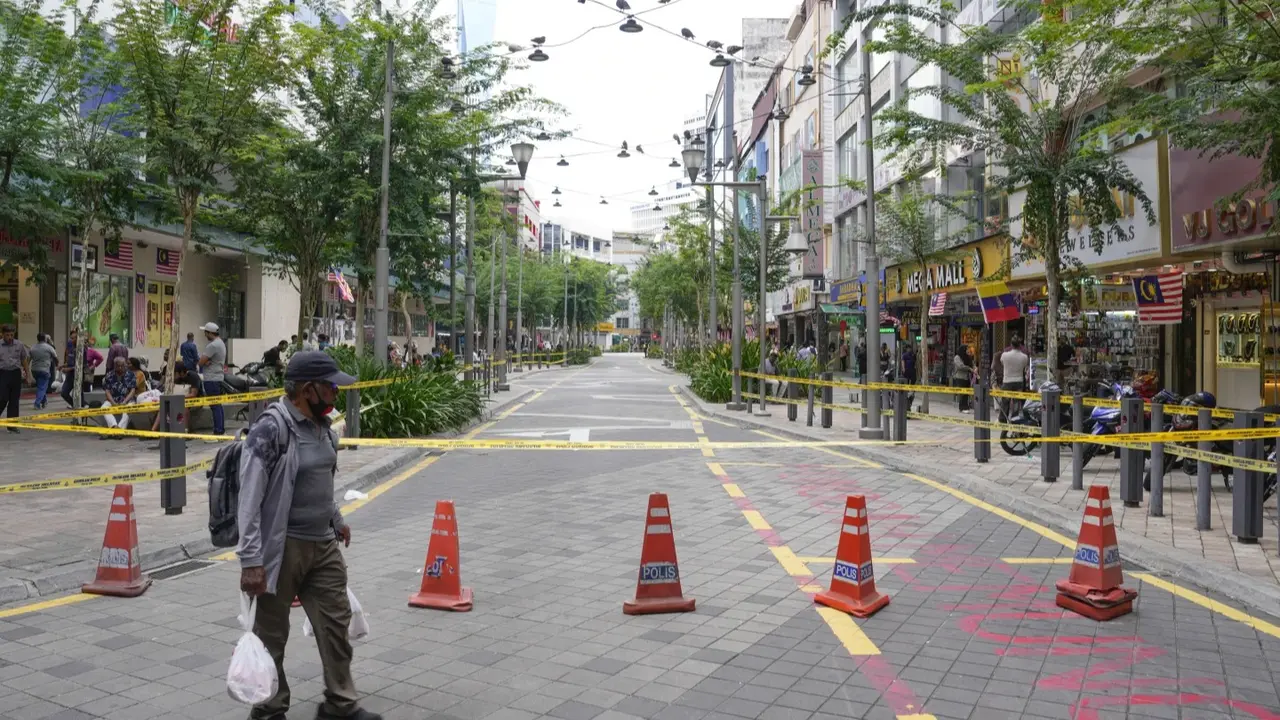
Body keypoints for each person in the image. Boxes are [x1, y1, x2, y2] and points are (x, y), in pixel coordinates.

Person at [237, 351, 381, 720]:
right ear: (307, 390)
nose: (336, 393)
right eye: (330, 386)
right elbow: (249, 499)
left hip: (323, 543)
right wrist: (251, 560)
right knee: (271, 636)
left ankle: (340, 705)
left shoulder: (322, 427)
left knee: (336, 624)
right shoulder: (271, 429)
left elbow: (321, 481)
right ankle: (269, 709)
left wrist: (336, 518)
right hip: (281, 548)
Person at [0, 324, 32, 432]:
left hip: (15, 373)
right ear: (2, 334)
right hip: (2, 373)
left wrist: (28, 375)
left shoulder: (19, 344)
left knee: (14, 400)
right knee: (2, 398)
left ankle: (12, 425)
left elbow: (24, 360)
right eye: (7, 335)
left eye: (12, 335)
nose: (10, 337)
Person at [198, 322, 227, 436]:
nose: (205, 335)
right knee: (218, 405)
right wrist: (207, 361)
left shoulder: (212, 346)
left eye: (205, 333)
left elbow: (201, 362)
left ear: (210, 333)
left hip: (211, 378)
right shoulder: (221, 343)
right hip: (218, 377)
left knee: (215, 406)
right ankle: (220, 429)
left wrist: (204, 361)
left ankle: (218, 431)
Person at [60, 331, 103, 408]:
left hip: (79, 375)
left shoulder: (83, 349)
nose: (72, 340)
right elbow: (70, 362)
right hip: (70, 375)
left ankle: (83, 405)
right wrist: (63, 366)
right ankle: (76, 405)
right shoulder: (70, 346)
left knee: (78, 393)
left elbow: (82, 365)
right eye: (71, 338)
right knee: (64, 393)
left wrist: (93, 366)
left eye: (74, 338)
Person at [997, 334, 1030, 419]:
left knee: (1005, 402)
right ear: (1020, 345)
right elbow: (1025, 366)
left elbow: (1002, 362)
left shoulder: (1005, 355)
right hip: (1019, 381)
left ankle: (1003, 419)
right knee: (1016, 403)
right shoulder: (1024, 357)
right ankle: (1015, 419)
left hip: (1007, 381)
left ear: (1011, 344)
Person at [100, 357, 138, 432]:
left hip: (127, 399)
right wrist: (113, 402)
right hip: (113, 399)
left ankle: (120, 429)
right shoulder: (109, 375)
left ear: (125, 365)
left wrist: (125, 401)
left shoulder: (131, 374)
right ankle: (113, 426)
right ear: (115, 366)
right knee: (103, 408)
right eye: (118, 366)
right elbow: (107, 391)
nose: (120, 368)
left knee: (128, 409)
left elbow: (132, 390)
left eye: (122, 366)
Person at [29, 333, 57, 410]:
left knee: (40, 386)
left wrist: (26, 369)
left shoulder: (33, 347)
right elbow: (55, 357)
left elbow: (29, 359)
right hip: (44, 370)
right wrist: (57, 364)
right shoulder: (49, 347)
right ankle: (37, 403)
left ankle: (44, 401)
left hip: (34, 370)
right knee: (42, 387)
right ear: (45, 339)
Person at [953, 345, 975, 412]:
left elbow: (972, 365)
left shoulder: (967, 357)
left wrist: (975, 368)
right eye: (967, 349)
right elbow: (960, 366)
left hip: (967, 377)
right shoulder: (957, 357)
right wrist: (969, 368)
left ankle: (966, 406)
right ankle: (962, 407)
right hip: (960, 377)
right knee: (962, 393)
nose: (968, 350)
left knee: (966, 393)